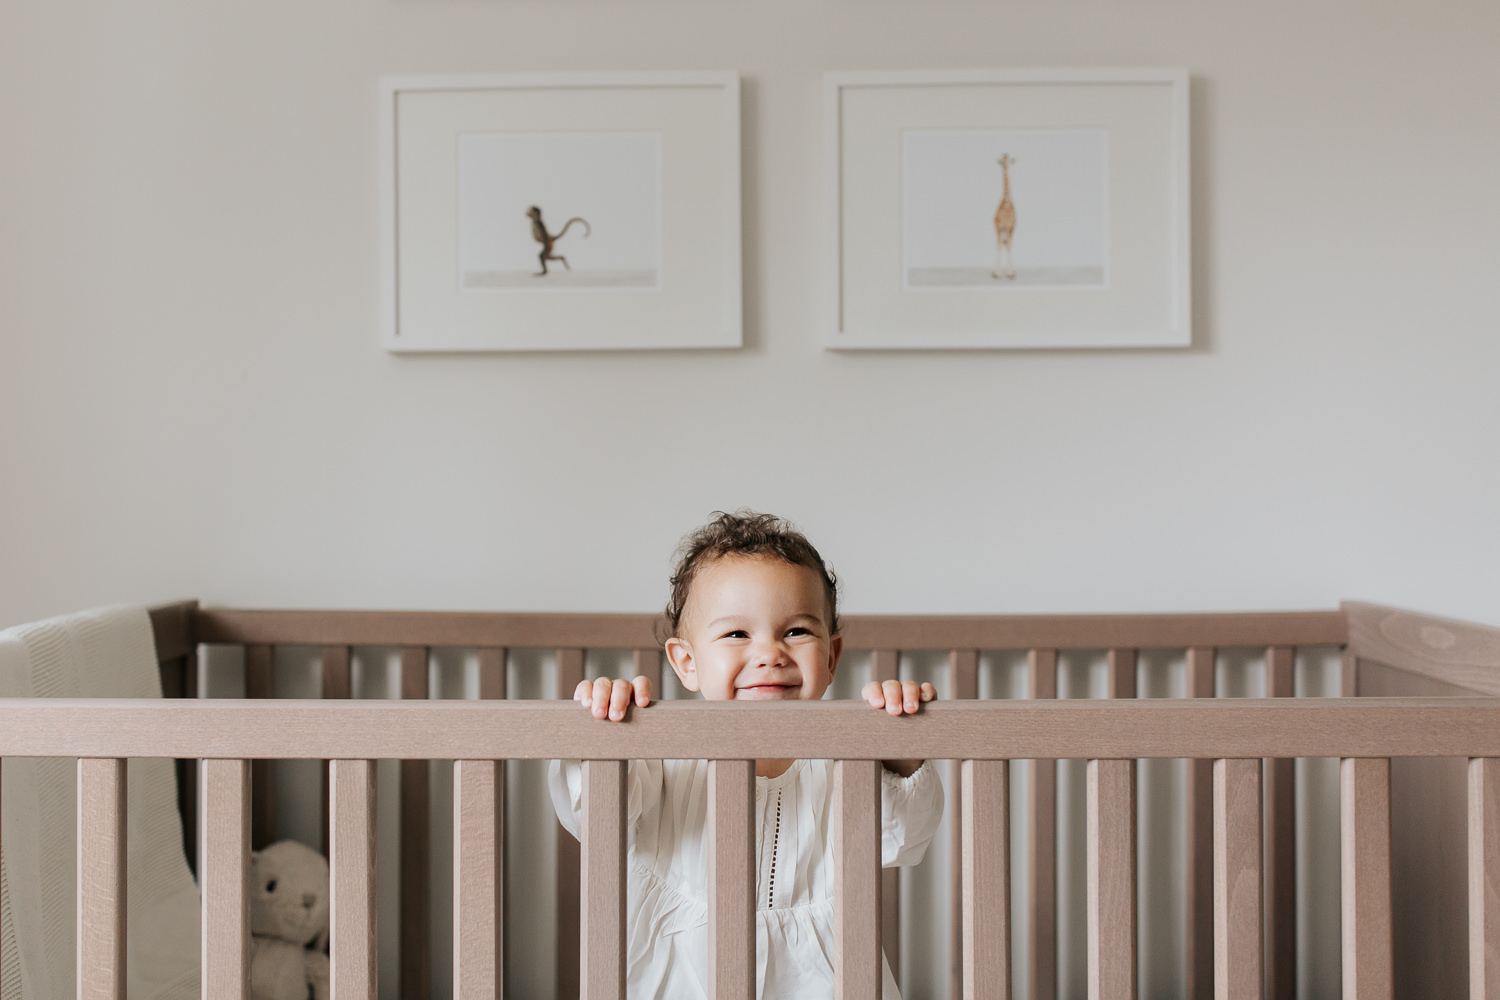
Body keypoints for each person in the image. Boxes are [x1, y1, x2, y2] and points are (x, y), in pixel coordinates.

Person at [548, 510, 943, 999]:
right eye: (737, 634)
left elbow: (904, 836)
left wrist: (898, 744)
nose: (770, 653)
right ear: (687, 663)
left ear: (833, 655)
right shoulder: (660, 753)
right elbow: (595, 811)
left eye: (797, 631)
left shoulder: (852, 757)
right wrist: (609, 726)